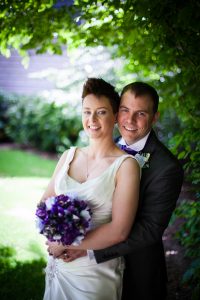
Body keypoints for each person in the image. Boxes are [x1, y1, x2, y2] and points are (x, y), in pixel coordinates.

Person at [59, 82, 184, 300]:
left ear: (154, 118)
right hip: (91, 270)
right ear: (117, 113)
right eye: (125, 110)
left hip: (136, 268)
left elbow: (149, 229)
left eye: (141, 113)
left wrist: (90, 250)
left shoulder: (167, 167)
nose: (130, 120)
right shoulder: (107, 149)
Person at [41, 78, 142, 300]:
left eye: (101, 112)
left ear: (115, 116)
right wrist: (54, 235)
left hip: (94, 273)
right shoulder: (69, 155)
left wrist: (64, 242)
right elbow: (44, 205)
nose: (92, 120)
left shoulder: (126, 166)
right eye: (87, 112)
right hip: (59, 266)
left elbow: (120, 230)